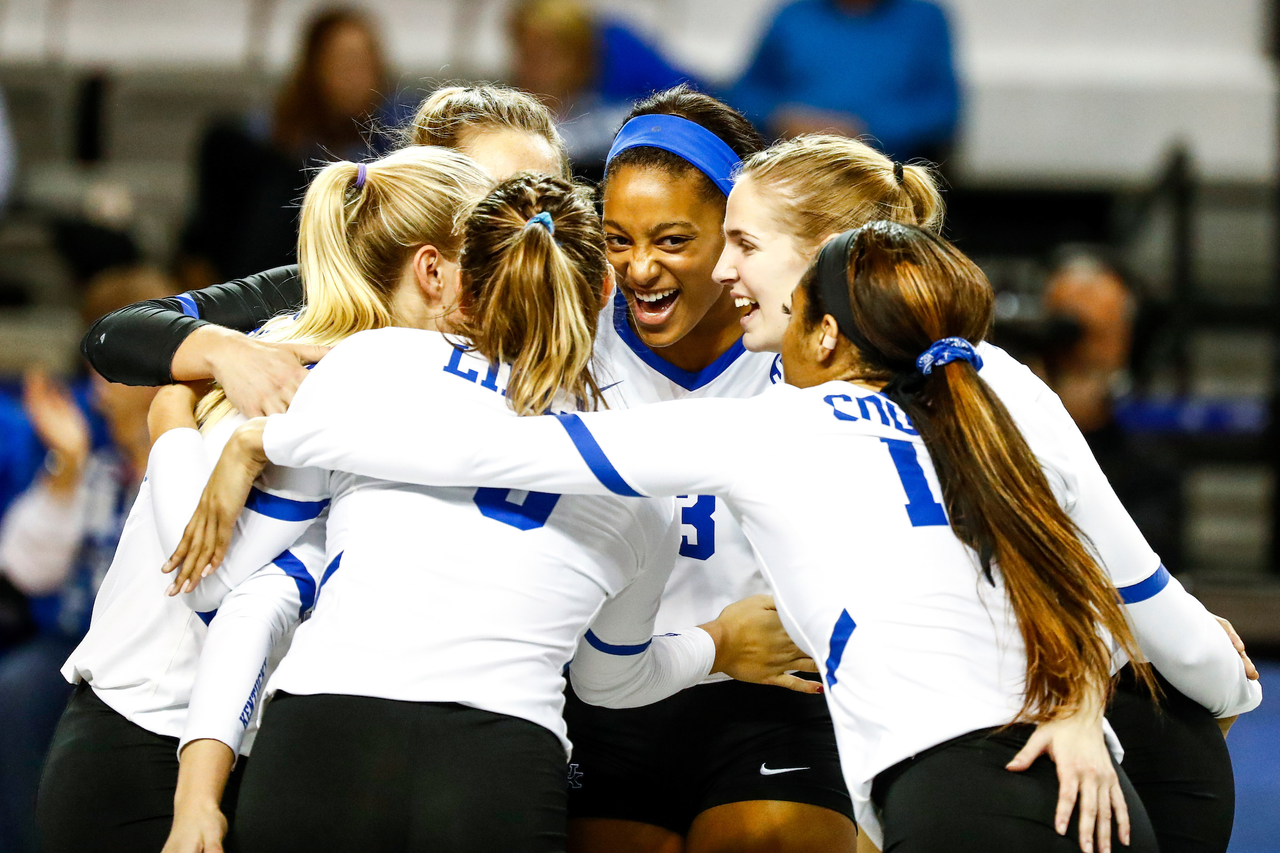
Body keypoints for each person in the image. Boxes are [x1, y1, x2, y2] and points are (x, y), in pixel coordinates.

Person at [174, 222, 1180, 853]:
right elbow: (1093, 586)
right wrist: (1091, 695)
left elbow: (493, 455)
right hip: (1082, 784)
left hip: (319, 738)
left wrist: (266, 430)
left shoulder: (758, 424)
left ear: (828, 334)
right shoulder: (985, 409)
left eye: (783, 298)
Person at [163, 168, 817, 853]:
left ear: (462, 286)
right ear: (602, 292)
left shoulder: (370, 364)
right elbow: (609, 683)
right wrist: (718, 642)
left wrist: (190, 431)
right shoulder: (636, 483)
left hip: (323, 737)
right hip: (499, 762)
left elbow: (214, 588)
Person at [714, 133, 1263, 853]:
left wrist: (1224, 689)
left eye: (744, 244)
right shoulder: (777, 396)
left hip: (1115, 751)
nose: (722, 268)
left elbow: (1134, 583)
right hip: (980, 756)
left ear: (831, 255)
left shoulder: (985, 378)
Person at [33, 146, 493, 853]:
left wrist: (173, 420)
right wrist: (176, 429)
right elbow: (205, 577)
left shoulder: (337, 351)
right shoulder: (319, 368)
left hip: (224, 746)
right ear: (433, 269)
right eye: (490, 265)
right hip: (146, 741)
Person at [82, 84, 568, 420]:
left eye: (549, 200)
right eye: (499, 200)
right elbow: (115, 335)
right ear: (431, 186)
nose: (528, 229)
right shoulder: (333, 288)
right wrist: (228, 351)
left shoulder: (588, 313)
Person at [0, 266, 175, 853]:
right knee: (18, 688)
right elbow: (23, 570)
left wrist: (147, 456)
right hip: (75, 646)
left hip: (155, 652)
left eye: (112, 371)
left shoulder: (199, 447)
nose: (97, 387)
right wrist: (68, 468)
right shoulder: (89, 446)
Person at [178, 7, 408, 290]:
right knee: (226, 145)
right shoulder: (284, 128)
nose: (354, 75)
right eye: (342, 62)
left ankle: (245, 293)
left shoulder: (397, 128)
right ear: (316, 68)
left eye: (363, 62)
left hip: (348, 254)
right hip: (278, 237)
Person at [728, 0, 959, 164]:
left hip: (882, 172)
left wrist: (862, 129)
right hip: (792, 166)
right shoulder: (792, 16)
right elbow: (742, 95)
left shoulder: (924, 19)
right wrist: (780, 116)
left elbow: (941, 111)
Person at [508, 0, 698, 171]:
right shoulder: (507, 120)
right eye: (526, 53)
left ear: (581, 64)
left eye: (548, 56)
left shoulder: (617, 127)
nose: (533, 67)